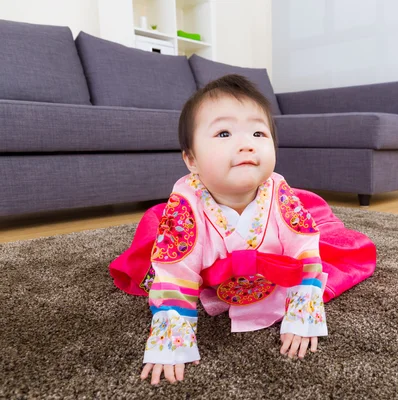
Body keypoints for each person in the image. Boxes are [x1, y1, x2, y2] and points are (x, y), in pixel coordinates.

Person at [109, 74, 377, 385]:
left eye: (258, 133)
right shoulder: (186, 207)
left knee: (335, 254)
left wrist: (302, 315)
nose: (247, 144)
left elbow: (303, 250)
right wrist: (172, 340)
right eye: (224, 133)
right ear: (191, 159)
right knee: (160, 257)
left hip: (272, 274)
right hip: (213, 277)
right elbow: (177, 271)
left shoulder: (279, 193)